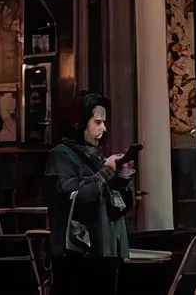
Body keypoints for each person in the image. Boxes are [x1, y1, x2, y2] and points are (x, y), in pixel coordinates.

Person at [41, 91, 133, 295]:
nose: (104, 128)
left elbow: (119, 208)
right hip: (77, 252)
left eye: (104, 122)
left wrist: (123, 178)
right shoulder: (61, 155)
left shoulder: (98, 156)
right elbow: (74, 195)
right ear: (80, 123)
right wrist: (106, 172)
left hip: (105, 249)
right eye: (98, 122)